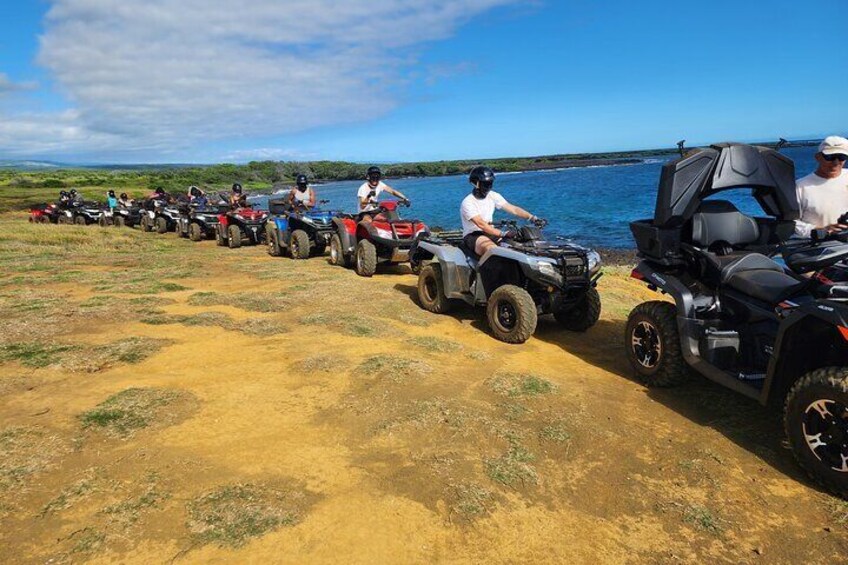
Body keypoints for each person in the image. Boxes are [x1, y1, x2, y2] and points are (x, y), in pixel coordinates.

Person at [460, 166, 543, 257]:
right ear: (476, 183)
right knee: (492, 250)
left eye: (490, 183)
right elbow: (481, 224)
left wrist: (532, 218)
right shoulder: (468, 202)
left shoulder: (493, 195)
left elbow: (513, 209)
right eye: (486, 183)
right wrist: (503, 233)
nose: (489, 186)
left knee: (518, 247)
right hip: (474, 235)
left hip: (491, 232)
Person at [795, 135, 848, 238]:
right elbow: (791, 223)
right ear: (818, 157)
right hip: (821, 248)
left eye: (841, 157)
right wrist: (821, 231)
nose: (836, 162)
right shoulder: (800, 187)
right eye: (830, 157)